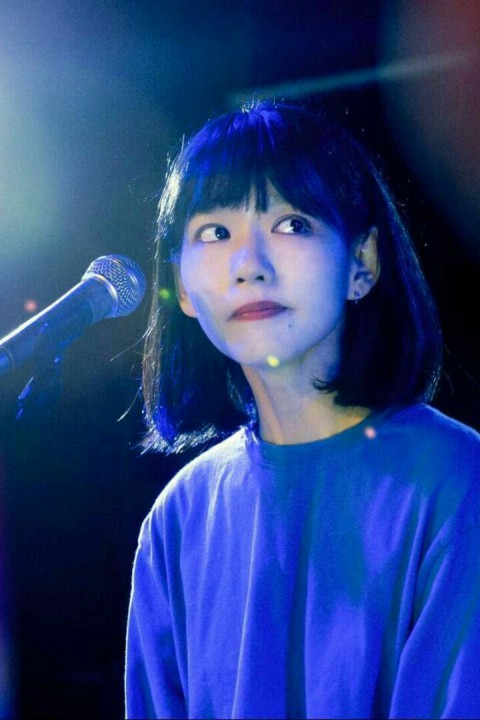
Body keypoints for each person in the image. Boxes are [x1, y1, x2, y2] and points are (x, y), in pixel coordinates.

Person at [125, 100, 480, 719]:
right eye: (215, 233)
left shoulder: (456, 479)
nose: (249, 266)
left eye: (291, 224)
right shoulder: (178, 517)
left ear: (362, 264)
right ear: (181, 287)